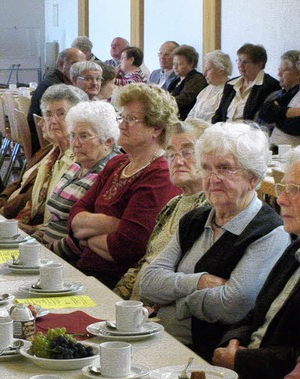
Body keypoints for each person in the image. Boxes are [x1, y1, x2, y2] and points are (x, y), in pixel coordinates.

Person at [140, 122, 289, 361]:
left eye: (224, 168)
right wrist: (200, 282)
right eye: (207, 168)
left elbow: (235, 304)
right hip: (161, 338)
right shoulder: (196, 219)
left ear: (252, 177)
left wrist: (174, 304)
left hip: (204, 356)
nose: (213, 178)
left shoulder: (270, 232)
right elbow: (148, 282)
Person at [65, 83, 182, 289]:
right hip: (82, 269)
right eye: (122, 117)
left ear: (156, 128)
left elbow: (128, 246)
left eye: (131, 119)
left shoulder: (160, 173)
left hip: (112, 283)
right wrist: (114, 224)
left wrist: (86, 238)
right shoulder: (117, 163)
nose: (122, 125)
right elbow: (74, 215)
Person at [210, 147, 300, 379]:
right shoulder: (295, 248)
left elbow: (296, 359)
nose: (281, 199)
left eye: (296, 191)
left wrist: (243, 360)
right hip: (242, 373)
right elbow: (256, 314)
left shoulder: (275, 235)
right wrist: (233, 343)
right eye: (285, 188)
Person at [114, 119, 210, 302]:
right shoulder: (173, 203)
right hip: (135, 305)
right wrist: (116, 300)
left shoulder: (209, 210)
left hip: (162, 311)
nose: (178, 161)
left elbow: (186, 276)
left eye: (188, 152)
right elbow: (145, 261)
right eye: (171, 154)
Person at [32, 100, 118, 251]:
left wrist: (46, 250)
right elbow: (55, 220)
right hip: (46, 249)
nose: (75, 144)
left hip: (66, 260)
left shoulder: (108, 174)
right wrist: (33, 242)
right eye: (72, 135)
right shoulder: (76, 165)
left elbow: (84, 240)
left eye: (84, 136)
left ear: (108, 142)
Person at [14, 85, 88, 233]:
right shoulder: (52, 152)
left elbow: (67, 221)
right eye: (48, 114)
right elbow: (33, 204)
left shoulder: (82, 159)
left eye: (61, 114)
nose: (53, 121)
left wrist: (30, 230)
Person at [27, 47, 87, 154]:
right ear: (61, 64)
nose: (80, 70)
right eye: (75, 64)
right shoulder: (54, 88)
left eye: (83, 66)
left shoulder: (56, 81)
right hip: (48, 145)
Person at [212, 43, 280, 123]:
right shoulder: (231, 84)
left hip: (248, 133)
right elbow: (219, 114)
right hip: (223, 130)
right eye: (239, 60)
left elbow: (262, 119)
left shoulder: (269, 86)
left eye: (245, 62)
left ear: (259, 65)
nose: (240, 65)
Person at [259, 50, 300, 148]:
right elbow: (265, 111)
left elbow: (296, 126)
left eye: (284, 71)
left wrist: (276, 117)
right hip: (273, 146)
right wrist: (287, 114)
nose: (279, 74)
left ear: (298, 73)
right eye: (279, 70)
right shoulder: (289, 92)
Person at [187, 50, 232, 122]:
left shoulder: (229, 91)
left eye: (208, 69)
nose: (204, 74)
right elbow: (192, 115)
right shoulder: (205, 90)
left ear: (221, 70)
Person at [167, 45, 207, 119]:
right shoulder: (176, 81)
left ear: (191, 63)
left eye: (179, 64)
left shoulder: (197, 79)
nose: (175, 67)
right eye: (174, 64)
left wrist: (163, 102)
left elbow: (184, 99)